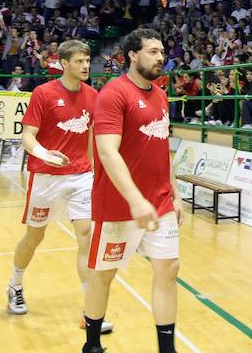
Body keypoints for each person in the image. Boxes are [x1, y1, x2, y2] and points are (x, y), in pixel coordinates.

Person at [83, 29, 183, 353]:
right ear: (132, 55)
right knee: (103, 275)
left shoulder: (161, 94)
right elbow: (107, 152)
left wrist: (175, 193)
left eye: (162, 51)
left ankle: (167, 350)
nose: (161, 57)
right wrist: (135, 199)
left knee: (168, 270)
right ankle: (93, 345)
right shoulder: (113, 94)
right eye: (153, 51)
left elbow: (161, 146)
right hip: (118, 205)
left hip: (160, 202)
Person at [6, 41, 114, 333]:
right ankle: (15, 284)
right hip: (46, 176)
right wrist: (44, 154)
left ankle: (90, 311)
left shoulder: (93, 95)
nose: (85, 66)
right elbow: (28, 136)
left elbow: (93, 138)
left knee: (86, 236)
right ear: (64, 63)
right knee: (34, 237)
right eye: (79, 61)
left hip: (80, 176)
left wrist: (98, 173)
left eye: (87, 60)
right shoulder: (44, 93)